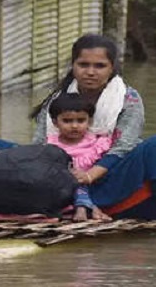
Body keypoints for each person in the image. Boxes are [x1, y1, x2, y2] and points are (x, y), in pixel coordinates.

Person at [0, 34, 156, 221]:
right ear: (73, 66)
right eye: (83, 65)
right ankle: (64, 203)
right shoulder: (57, 99)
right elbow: (40, 146)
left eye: (100, 66)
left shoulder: (128, 99)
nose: (90, 72)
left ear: (112, 68)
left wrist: (88, 176)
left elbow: (124, 145)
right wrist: (66, 175)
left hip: (107, 173)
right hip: (58, 175)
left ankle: (97, 203)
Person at [45, 93, 114, 222]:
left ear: (90, 121)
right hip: (62, 185)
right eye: (67, 121)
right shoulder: (50, 144)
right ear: (55, 123)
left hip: (92, 182)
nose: (75, 126)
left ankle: (83, 207)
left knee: (79, 182)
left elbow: (108, 163)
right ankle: (88, 207)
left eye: (80, 120)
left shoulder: (98, 143)